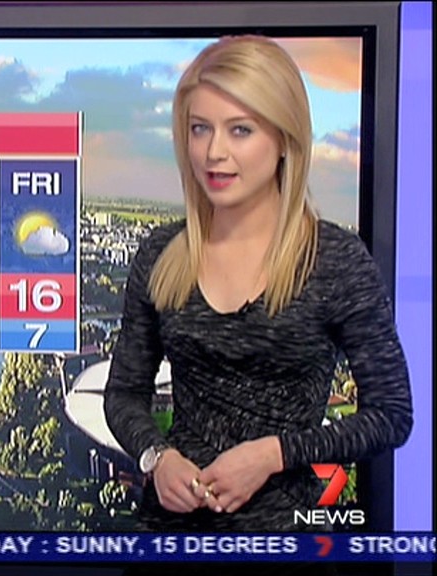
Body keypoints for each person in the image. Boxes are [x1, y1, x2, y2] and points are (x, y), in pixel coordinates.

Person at [103, 33, 413, 540]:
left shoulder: (334, 260)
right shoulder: (161, 255)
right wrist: (156, 456)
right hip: (167, 540)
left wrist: (274, 454)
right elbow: (123, 394)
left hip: (286, 545)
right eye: (200, 129)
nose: (214, 152)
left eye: (240, 130)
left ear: (285, 139)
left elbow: (391, 415)